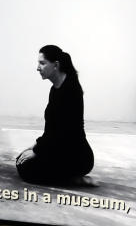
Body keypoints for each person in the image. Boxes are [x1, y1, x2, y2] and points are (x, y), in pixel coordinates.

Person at [16, 44, 94, 185]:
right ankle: (70, 177)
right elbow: (51, 129)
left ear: (56, 65)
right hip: (59, 148)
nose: (38, 68)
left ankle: (75, 178)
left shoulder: (71, 90)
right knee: (21, 159)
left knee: (26, 169)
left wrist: (37, 151)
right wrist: (33, 147)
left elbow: (63, 132)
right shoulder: (55, 89)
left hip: (76, 155)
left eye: (42, 63)